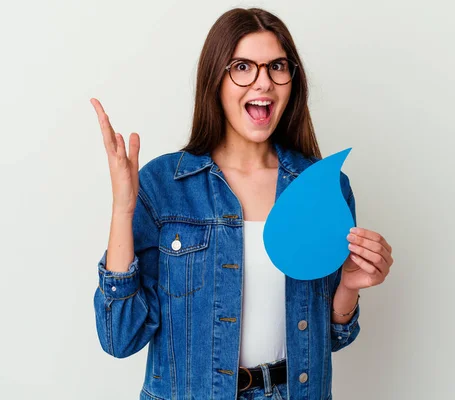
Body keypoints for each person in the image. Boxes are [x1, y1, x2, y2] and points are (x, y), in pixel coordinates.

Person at [92, 7, 393, 400]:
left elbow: (333, 337)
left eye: (277, 67)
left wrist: (350, 286)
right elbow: (120, 337)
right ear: (215, 79)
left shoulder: (323, 187)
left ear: (292, 80)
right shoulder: (164, 185)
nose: (262, 83)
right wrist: (122, 211)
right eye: (242, 67)